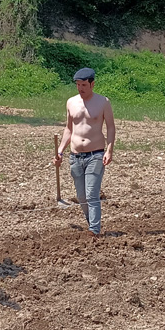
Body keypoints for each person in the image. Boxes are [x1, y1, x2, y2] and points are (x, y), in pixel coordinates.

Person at [54, 67, 116, 237]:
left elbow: (111, 127)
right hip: (75, 157)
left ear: (92, 84)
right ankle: (92, 224)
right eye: (78, 85)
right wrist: (60, 151)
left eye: (83, 85)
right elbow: (68, 129)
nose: (80, 88)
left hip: (95, 154)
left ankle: (94, 231)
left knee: (91, 194)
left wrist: (109, 150)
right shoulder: (71, 102)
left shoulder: (103, 102)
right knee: (81, 196)